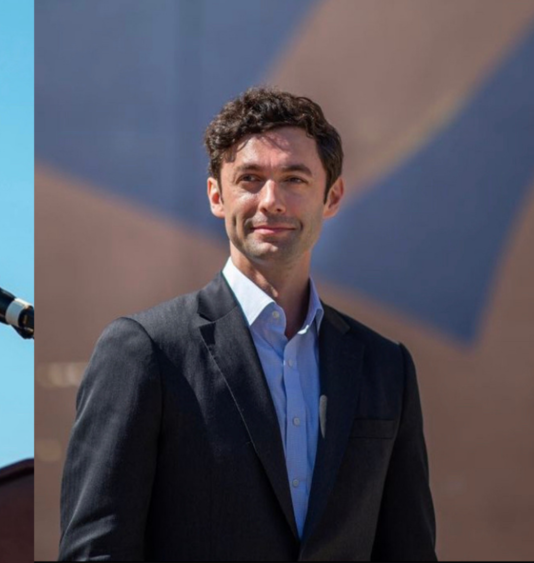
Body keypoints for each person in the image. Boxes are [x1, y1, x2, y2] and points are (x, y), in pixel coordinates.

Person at [58, 88, 436, 561]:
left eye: (295, 179)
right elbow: (96, 553)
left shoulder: (385, 367)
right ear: (217, 195)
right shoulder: (144, 351)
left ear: (332, 196)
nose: (271, 201)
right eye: (250, 179)